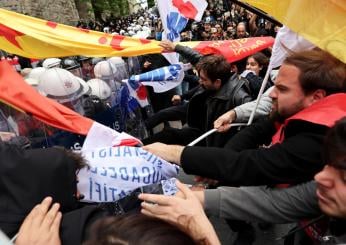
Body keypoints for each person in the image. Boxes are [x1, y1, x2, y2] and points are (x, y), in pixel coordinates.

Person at [143, 50, 346, 186]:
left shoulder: (318, 139)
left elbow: (249, 165)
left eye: (282, 89)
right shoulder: (291, 113)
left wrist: (177, 153)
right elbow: (257, 130)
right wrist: (217, 166)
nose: (272, 94)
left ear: (316, 97)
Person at [139, 116, 346, 244]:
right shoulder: (319, 190)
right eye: (327, 164)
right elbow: (273, 202)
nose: (320, 177)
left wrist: (205, 236)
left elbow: (254, 164)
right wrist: (199, 199)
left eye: (343, 176)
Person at [142, 40, 252, 147]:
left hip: (209, 139)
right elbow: (197, 57)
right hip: (197, 114)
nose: (199, 81)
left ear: (217, 82)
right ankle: (135, 144)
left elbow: (252, 118)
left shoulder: (239, 96)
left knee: (171, 139)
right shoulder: (212, 69)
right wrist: (176, 47)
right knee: (165, 122)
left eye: (204, 79)